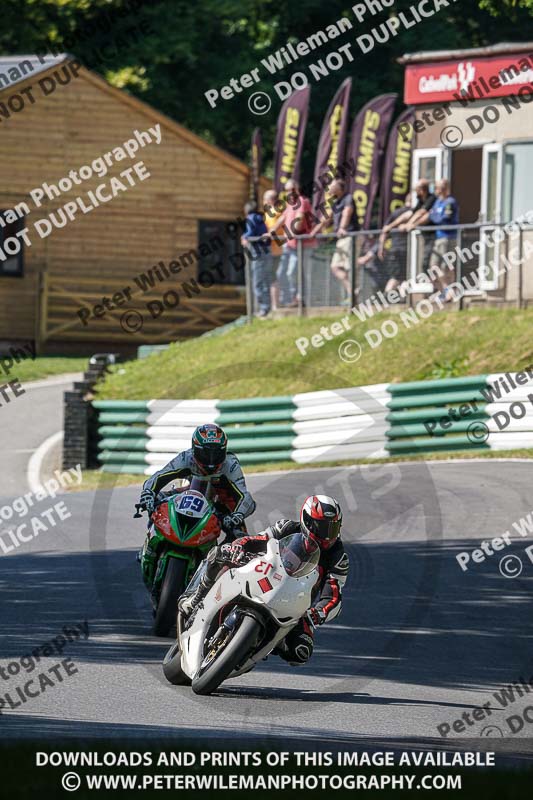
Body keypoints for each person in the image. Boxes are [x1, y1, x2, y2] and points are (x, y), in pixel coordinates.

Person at [179, 494, 350, 665]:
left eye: (332, 528)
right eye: (322, 527)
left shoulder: (338, 557)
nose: (327, 535)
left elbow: (333, 596)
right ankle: (198, 596)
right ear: (307, 520)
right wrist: (238, 548)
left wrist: (317, 613)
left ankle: (265, 642)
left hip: (295, 604)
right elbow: (256, 540)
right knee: (221, 555)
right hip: (264, 575)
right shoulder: (287, 527)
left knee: (300, 651)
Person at [139, 423, 256, 536]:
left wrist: (238, 514)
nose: (211, 460)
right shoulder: (185, 458)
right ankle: (152, 538)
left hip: (220, 503)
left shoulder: (230, 465)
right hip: (188, 495)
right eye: (205, 453)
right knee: (156, 502)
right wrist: (148, 493)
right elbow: (158, 476)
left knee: (241, 537)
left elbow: (246, 497)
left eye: (217, 453)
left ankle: (221, 553)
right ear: (194, 449)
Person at [310, 178, 358, 303]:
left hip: (349, 236)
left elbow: (347, 212)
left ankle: (352, 296)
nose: (329, 188)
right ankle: (352, 292)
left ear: (339, 188)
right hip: (341, 239)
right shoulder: (335, 202)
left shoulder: (348, 198)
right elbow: (325, 218)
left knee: (349, 267)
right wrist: (314, 232)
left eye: (331, 186)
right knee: (335, 267)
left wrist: (342, 227)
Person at [272, 179, 315, 307]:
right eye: (287, 190)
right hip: (290, 245)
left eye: (291, 189)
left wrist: (291, 232)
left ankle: (300, 299)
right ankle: (294, 299)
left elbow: (300, 219)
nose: (289, 192)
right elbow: (283, 218)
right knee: (282, 272)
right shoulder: (289, 204)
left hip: (302, 244)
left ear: (297, 189)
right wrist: (271, 231)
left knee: (295, 272)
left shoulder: (302, 201)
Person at [427, 179, 459, 301]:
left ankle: (450, 292)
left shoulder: (450, 202)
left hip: (448, 238)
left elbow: (444, 219)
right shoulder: (438, 202)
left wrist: (434, 215)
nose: (436, 190)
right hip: (439, 238)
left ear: (444, 188)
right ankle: (445, 291)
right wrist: (434, 215)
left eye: (438, 188)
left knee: (447, 266)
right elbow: (433, 215)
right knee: (433, 266)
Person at [241, 200, 272, 318]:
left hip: (258, 252)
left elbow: (250, 232)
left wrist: (244, 237)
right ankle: (266, 306)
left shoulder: (251, 217)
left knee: (257, 282)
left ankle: (263, 308)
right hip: (266, 250)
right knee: (264, 280)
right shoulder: (260, 217)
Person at [263, 189, 284, 311]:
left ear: (271, 200)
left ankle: (276, 305)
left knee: (273, 277)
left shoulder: (278, 212)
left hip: (276, 251)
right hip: (269, 251)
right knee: (270, 278)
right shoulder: (267, 213)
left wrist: (269, 233)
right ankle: (273, 305)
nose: (263, 201)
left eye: (265, 198)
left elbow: (274, 228)